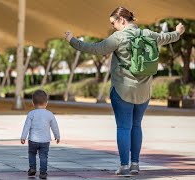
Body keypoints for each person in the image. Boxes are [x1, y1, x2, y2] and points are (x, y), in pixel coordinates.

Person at [65, 7, 185, 176]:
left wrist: (72, 40)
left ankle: (124, 166)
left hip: (122, 90)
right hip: (144, 91)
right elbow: (166, 37)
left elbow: (96, 49)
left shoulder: (119, 37)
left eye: (113, 22)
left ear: (122, 19)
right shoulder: (148, 34)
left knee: (123, 127)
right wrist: (178, 32)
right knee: (136, 126)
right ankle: (135, 165)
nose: (113, 26)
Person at [21, 90, 60, 179]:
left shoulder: (31, 114)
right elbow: (55, 127)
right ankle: (43, 173)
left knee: (31, 154)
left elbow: (26, 126)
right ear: (46, 103)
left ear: (33, 103)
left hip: (33, 140)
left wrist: (23, 137)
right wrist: (57, 136)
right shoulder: (49, 114)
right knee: (43, 156)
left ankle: (32, 169)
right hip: (45, 141)